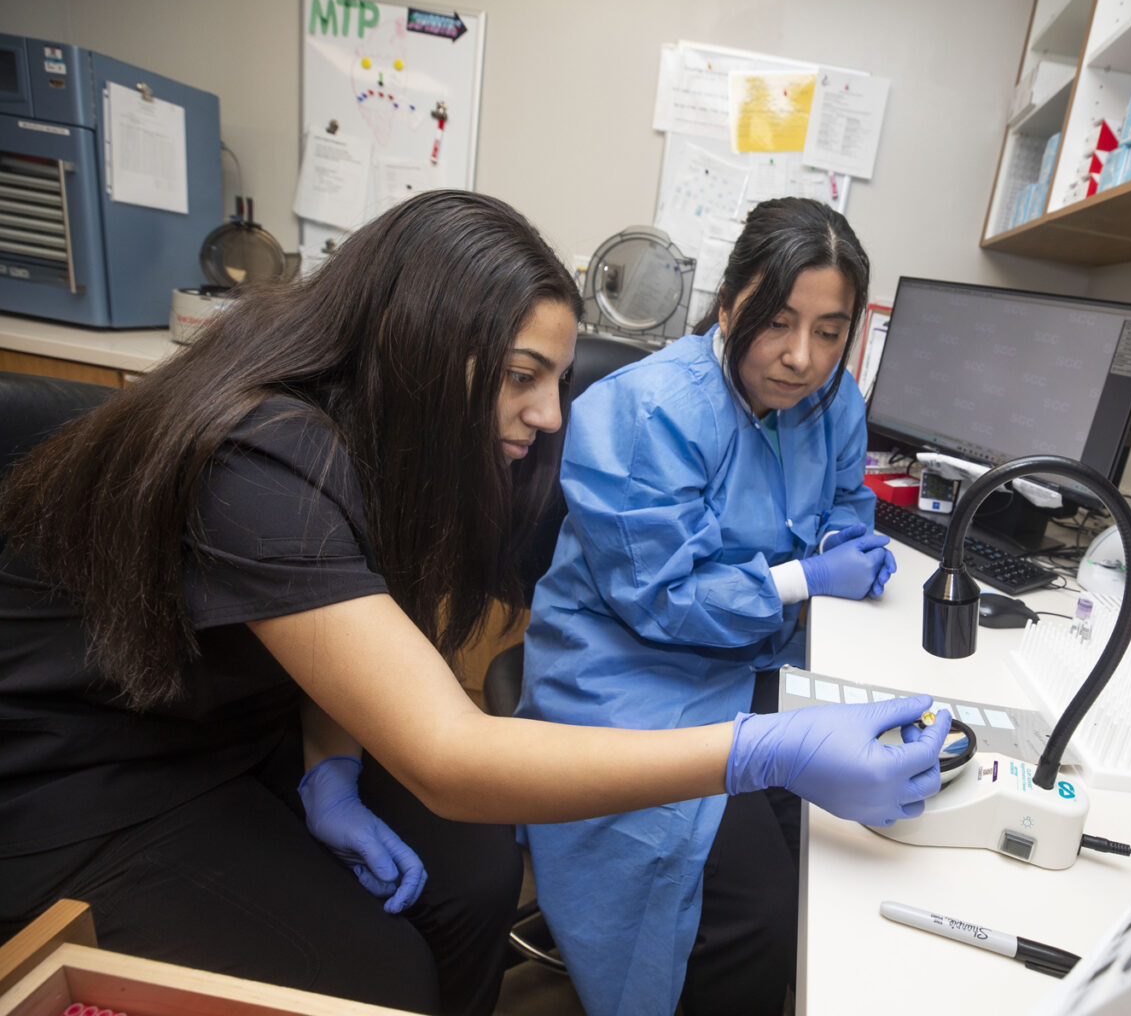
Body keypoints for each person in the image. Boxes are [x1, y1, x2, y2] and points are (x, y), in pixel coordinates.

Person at [0, 190, 951, 1016]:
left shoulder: (397, 446)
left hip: (245, 722)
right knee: (376, 974)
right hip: (95, 774)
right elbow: (450, 757)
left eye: (556, 380)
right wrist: (765, 752)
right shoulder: (263, 458)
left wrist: (329, 765)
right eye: (521, 378)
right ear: (419, 342)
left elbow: (343, 623)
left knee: (476, 880)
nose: (551, 417)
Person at [517, 197, 899, 1015]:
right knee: (753, 911)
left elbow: (843, 500)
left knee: (845, 852)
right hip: (629, 671)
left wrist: (839, 542)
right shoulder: (647, 408)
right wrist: (802, 582)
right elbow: (666, 598)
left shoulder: (832, 403)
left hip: (754, 661)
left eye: (830, 331)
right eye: (779, 322)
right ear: (730, 302)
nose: (802, 357)